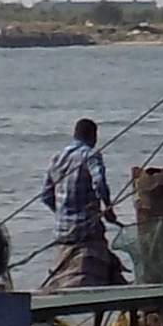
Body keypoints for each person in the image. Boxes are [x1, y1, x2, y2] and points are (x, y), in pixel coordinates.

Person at [38, 116, 122, 288]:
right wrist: (108, 208)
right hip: (86, 231)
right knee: (112, 272)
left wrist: (63, 213)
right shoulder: (90, 154)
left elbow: (46, 195)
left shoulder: (58, 157)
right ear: (93, 136)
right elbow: (99, 182)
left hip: (62, 233)